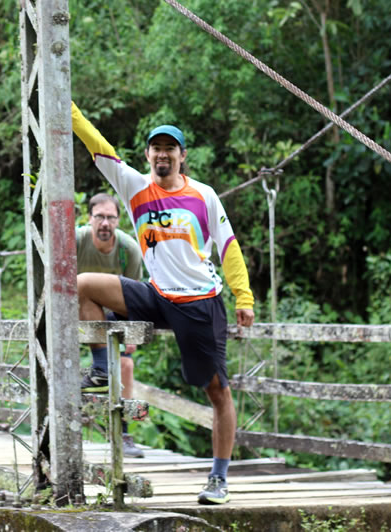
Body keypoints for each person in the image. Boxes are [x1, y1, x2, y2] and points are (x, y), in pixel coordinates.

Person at [71, 102, 256, 506]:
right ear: (148, 154)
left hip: (199, 302)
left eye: (170, 148)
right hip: (156, 295)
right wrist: (67, 110)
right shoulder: (135, 188)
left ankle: (219, 478)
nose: (162, 154)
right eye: (156, 148)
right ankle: (102, 367)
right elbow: (99, 148)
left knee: (217, 391)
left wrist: (243, 297)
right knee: (82, 285)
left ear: (182, 156)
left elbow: (228, 247)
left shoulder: (203, 196)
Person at [75, 192, 145, 458]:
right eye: (100, 217)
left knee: (125, 365)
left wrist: (133, 334)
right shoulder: (76, 241)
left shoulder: (128, 249)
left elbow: (136, 294)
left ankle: (123, 433)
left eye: (111, 218)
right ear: (89, 218)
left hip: (117, 311)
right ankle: (100, 367)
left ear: (118, 220)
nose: (105, 223)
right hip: (78, 310)